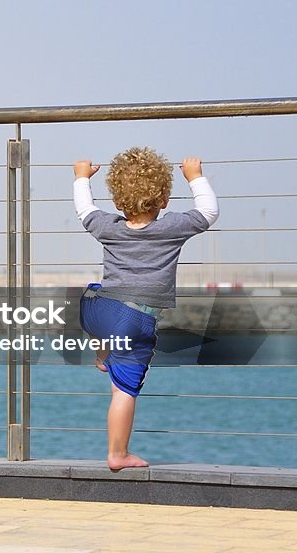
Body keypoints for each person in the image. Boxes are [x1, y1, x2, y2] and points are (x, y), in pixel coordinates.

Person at [73, 148, 218, 471]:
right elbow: (208, 212)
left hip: (97, 312)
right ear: (164, 200)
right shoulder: (172, 227)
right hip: (134, 321)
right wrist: (195, 177)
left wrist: (81, 177)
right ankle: (118, 453)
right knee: (125, 390)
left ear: (118, 201)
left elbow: (84, 209)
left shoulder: (108, 227)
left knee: (97, 293)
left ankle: (103, 354)